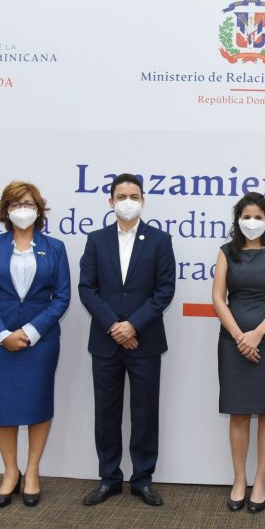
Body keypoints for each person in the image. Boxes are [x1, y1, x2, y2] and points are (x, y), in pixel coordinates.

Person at [79, 173, 176, 507]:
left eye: (134, 195)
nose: (128, 201)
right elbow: (86, 288)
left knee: (144, 412)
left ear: (143, 200)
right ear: (111, 202)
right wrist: (114, 326)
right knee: (106, 413)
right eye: (121, 196)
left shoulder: (160, 240)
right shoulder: (96, 240)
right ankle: (109, 478)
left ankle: (143, 479)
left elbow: (164, 290)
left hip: (145, 341)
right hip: (105, 343)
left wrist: (133, 325)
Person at [0, 181, 71, 508]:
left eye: (28, 204)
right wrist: (3, 334)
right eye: (15, 204)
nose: (22, 210)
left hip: (40, 342)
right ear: (5, 210)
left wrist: (30, 331)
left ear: (39, 210)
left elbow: (62, 298)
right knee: (4, 408)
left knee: (38, 405)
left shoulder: (54, 248)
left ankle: (31, 472)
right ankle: (9, 473)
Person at [212, 192, 265, 513]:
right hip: (232, 341)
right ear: (238, 220)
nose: (252, 222)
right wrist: (239, 336)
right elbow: (218, 299)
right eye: (247, 216)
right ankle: (239, 480)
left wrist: (258, 332)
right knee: (239, 412)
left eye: (259, 216)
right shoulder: (226, 252)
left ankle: (260, 480)